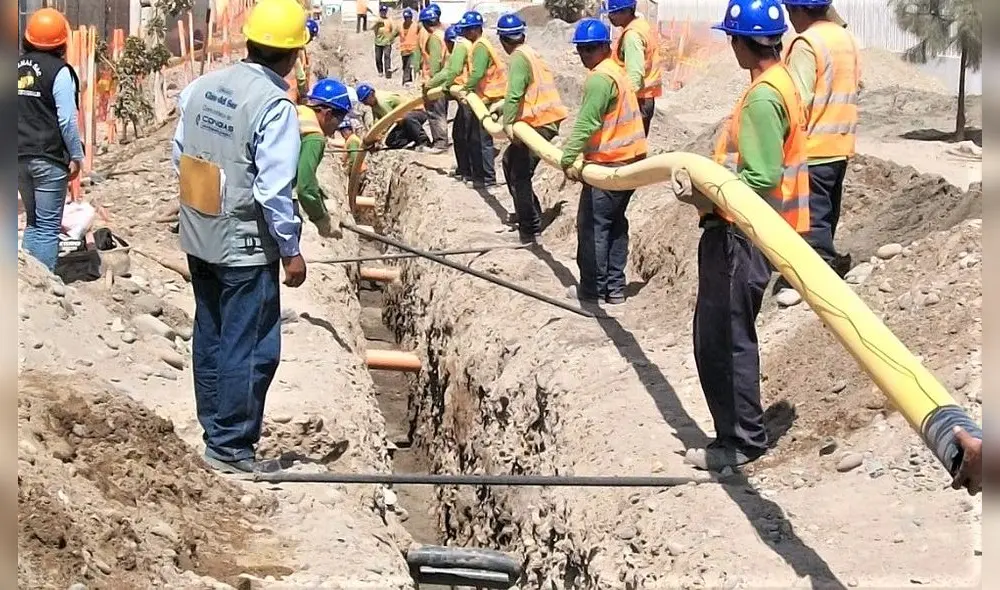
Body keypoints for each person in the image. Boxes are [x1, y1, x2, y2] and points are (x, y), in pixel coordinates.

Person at [670, 0, 810, 471]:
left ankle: (740, 443)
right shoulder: (778, 84)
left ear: (742, 42)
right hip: (749, 231)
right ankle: (737, 432)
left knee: (724, 341)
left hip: (740, 234)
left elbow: (763, 175)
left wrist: (707, 196)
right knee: (724, 336)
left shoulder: (764, 97)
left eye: (731, 37)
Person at [172, 0, 310, 474]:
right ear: (292, 56)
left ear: (249, 41)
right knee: (249, 347)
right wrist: (291, 250)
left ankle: (216, 433)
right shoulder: (275, 106)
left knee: (210, 333)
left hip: (199, 231)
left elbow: (180, 154)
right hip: (244, 245)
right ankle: (231, 447)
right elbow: (274, 189)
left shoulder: (201, 87)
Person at [559, 19, 647, 305]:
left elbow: (587, 123)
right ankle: (615, 288)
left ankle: (592, 291)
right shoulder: (616, 72)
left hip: (609, 165)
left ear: (603, 48)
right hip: (630, 163)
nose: (584, 56)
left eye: (588, 50)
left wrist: (567, 157)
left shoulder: (600, 78)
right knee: (615, 224)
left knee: (594, 227)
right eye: (581, 50)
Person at [777, 0, 859, 301]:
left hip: (813, 147)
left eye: (789, 11)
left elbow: (795, 99)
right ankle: (823, 267)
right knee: (826, 213)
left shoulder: (807, 44)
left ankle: (815, 284)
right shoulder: (846, 38)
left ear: (800, 10)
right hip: (840, 143)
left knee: (812, 220)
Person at [17, 7, 84, 272]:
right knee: (47, 227)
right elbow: (67, 120)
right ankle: (45, 286)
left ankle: (29, 284)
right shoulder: (60, 72)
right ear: (62, 41)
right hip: (48, 158)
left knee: (33, 222)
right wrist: (76, 156)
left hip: (17, 156)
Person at [494, 13, 568, 244]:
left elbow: (516, 93)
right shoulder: (530, 53)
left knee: (519, 173)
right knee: (509, 162)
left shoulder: (518, 58)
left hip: (539, 123)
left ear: (503, 41)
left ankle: (530, 227)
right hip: (543, 120)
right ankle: (530, 215)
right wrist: (501, 105)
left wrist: (507, 125)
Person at [296, 78, 352, 239]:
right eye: (338, 121)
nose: (336, 130)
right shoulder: (314, 136)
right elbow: (305, 188)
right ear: (327, 114)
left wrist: (323, 199)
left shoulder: (298, 112)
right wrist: (322, 220)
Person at [457, 10, 506, 189]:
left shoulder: (480, 47)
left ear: (474, 30)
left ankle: (487, 179)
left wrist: (466, 89)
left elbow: (477, 73)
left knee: (483, 140)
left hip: (489, 99)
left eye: (465, 30)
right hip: (484, 98)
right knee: (476, 138)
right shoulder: (480, 44)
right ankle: (481, 176)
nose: (463, 34)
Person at [426, 23, 475, 178]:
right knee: (461, 134)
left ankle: (471, 173)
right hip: (467, 95)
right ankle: (465, 169)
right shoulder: (468, 46)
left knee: (466, 136)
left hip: (469, 96)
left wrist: (434, 85)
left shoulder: (459, 48)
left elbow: (450, 71)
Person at [606, 0, 662, 136]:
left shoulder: (632, 36)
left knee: (629, 149)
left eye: (613, 12)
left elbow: (635, 75)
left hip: (637, 100)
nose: (610, 17)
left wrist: (623, 104)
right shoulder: (641, 26)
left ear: (626, 11)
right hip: (644, 97)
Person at [356, 82, 433, 150]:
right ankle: (414, 140)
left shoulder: (382, 102)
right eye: (363, 101)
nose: (364, 103)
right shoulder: (374, 105)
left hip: (416, 113)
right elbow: (377, 123)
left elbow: (388, 121)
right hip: (401, 120)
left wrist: (380, 136)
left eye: (365, 100)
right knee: (391, 141)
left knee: (407, 118)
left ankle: (424, 142)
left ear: (372, 94)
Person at [417, 6, 449, 151]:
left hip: (435, 82)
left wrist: (430, 84)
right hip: (444, 80)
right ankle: (441, 141)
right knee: (440, 112)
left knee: (435, 113)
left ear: (425, 24)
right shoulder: (443, 34)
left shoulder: (435, 38)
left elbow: (434, 64)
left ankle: (440, 143)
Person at [286, 17, 319, 103]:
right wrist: (304, 95)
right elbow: (300, 76)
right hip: (292, 95)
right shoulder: (297, 51)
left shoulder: (298, 49)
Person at [373, 4, 397, 79]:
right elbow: (371, 27)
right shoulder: (377, 19)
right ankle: (380, 71)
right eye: (382, 11)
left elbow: (394, 29)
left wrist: (392, 38)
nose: (383, 13)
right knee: (378, 57)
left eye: (384, 11)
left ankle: (387, 72)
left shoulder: (389, 20)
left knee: (387, 57)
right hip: (378, 42)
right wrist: (377, 23)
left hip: (387, 42)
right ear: (380, 12)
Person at [398, 8, 420, 86]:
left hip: (413, 49)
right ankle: (408, 79)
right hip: (404, 49)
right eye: (405, 18)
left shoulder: (416, 26)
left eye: (408, 17)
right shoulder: (400, 26)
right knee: (405, 66)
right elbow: (395, 34)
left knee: (410, 65)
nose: (407, 19)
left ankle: (407, 80)